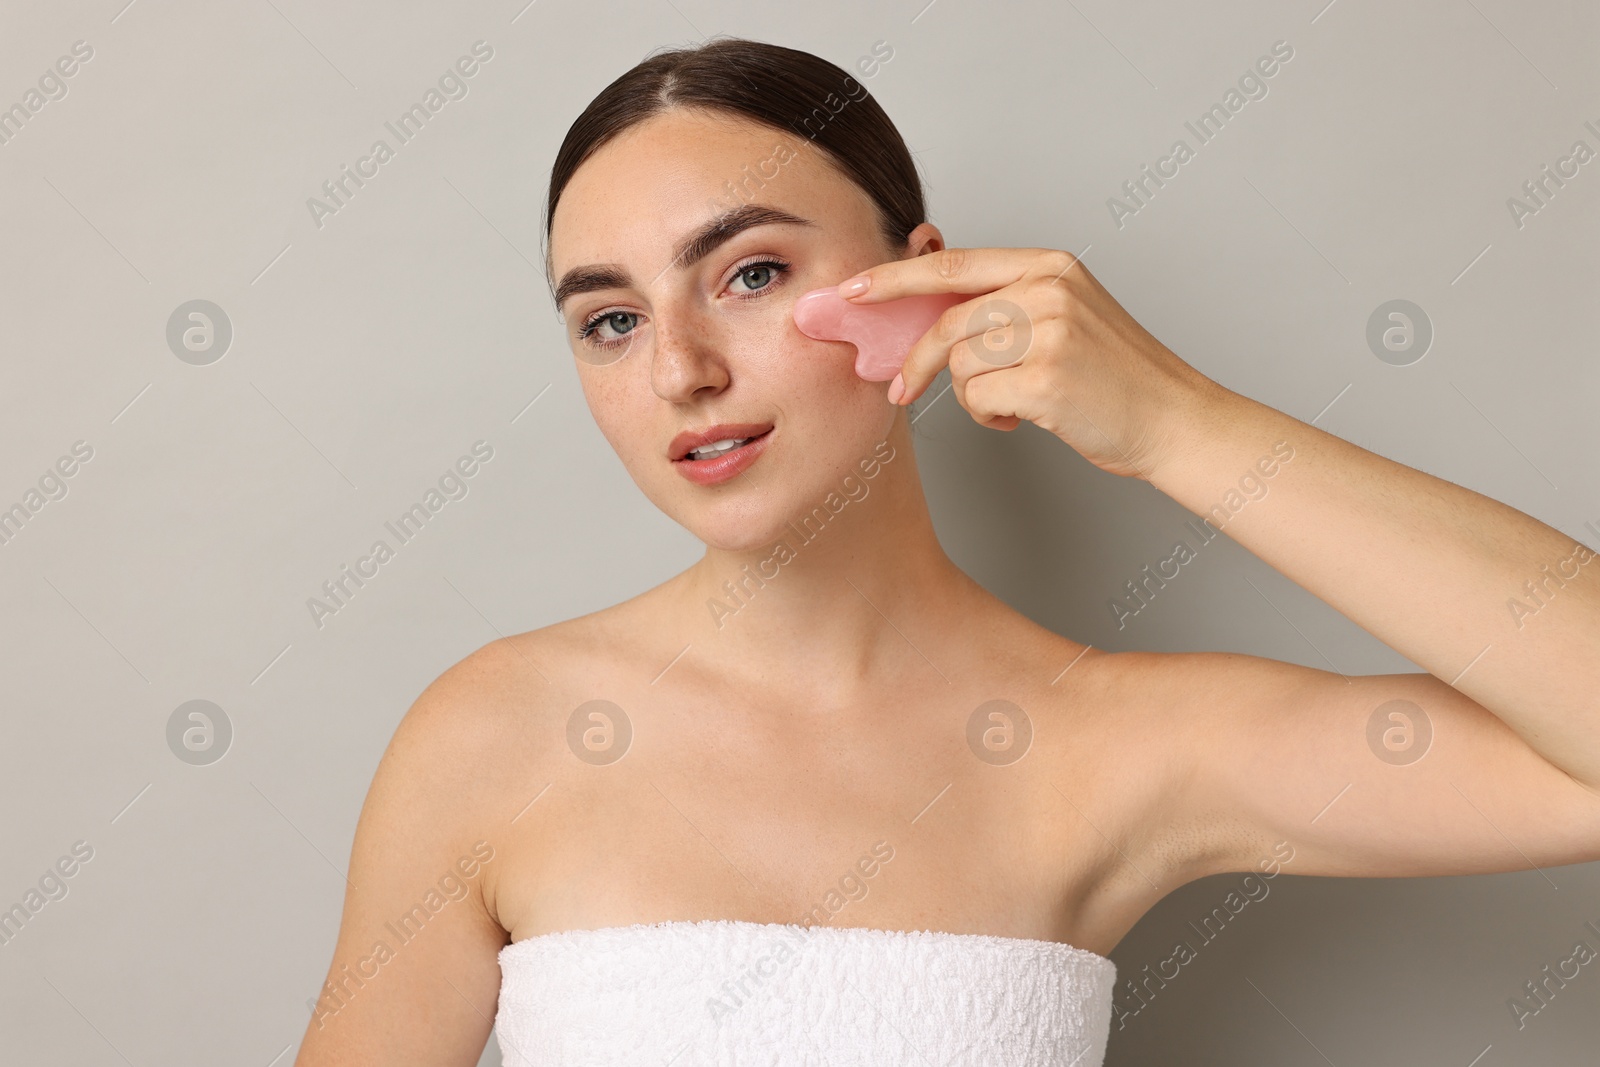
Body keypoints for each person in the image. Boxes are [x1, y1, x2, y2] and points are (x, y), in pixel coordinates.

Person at [293, 36, 1600, 1067]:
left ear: (925, 279)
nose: (682, 370)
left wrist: (1174, 426)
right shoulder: (491, 739)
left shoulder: (1113, 745)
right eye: (611, 320)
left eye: (748, 275)